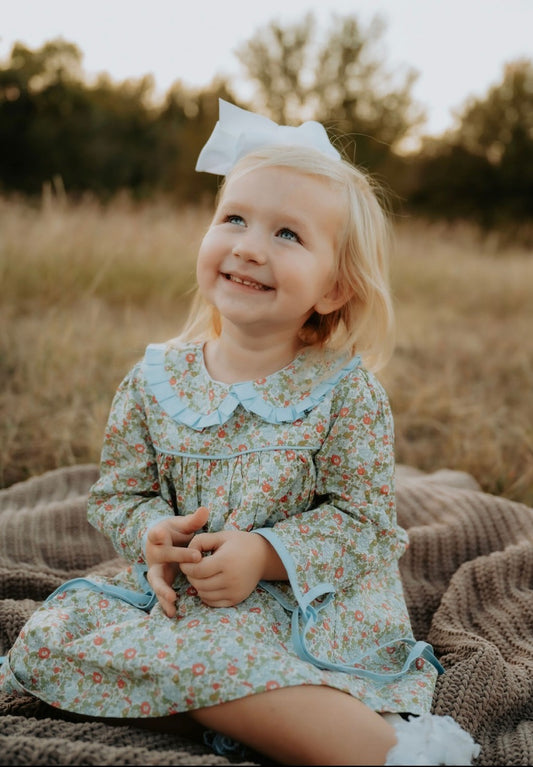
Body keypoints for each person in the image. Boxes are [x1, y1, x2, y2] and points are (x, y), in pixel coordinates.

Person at [0, 100, 480, 766]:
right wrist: (149, 534)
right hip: (184, 596)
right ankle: (239, 705)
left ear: (333, 288)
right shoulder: (154, 379)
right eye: (233, 218)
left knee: (206, 650)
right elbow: (117, 494)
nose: (249, 246)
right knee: (47, 638)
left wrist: (263, 553)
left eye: (288, 235)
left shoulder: (344, 390)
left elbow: (362, 524)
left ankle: (384, 750)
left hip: (300, 603)